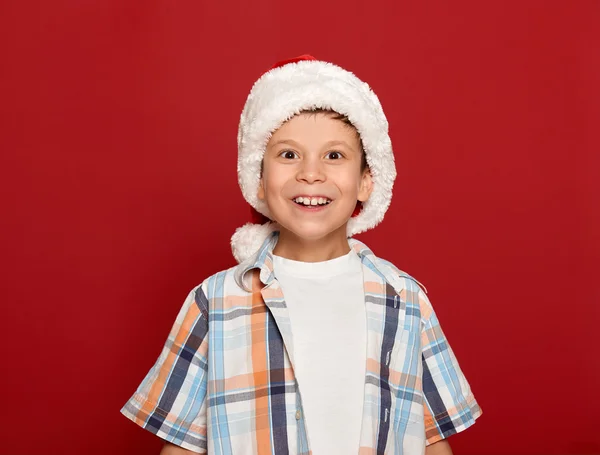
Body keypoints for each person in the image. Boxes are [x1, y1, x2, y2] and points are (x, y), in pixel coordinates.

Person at [121, 55, 482, 455]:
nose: (311, 173)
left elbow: (432, 440)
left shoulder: (405, 300)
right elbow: (182, 446)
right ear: (257, 180)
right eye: (289, 155)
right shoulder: (214, 302)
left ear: (366, 181)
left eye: (334, 155)